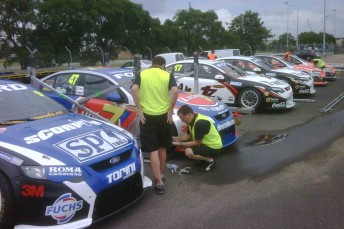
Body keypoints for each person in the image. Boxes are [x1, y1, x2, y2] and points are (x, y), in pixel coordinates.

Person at [131, 56, 179, 195]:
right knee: (162, 147)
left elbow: (134, 90)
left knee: (152, 150)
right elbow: (175, 91)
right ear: (163, 65)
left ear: (152, 64)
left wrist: (139, 110)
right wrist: (170, 110)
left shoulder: (142, 74)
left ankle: (158, 182)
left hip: (147, 116)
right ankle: (161, 175)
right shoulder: (167, 75)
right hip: (164, 116)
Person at [172, 104, 222, 172]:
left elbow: (196, 143)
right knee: (188, 148)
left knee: (188, 152)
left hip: (214, 147)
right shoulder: (191, 120)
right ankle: (204, 160)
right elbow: (188, 136)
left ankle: (210, 160)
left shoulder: (200, 123)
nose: (182, 121)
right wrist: (175, 138)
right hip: (205, 144)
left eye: (183, 118)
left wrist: (180, 144)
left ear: (189, 114)